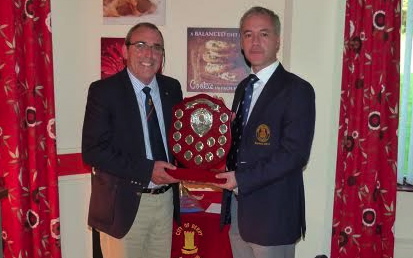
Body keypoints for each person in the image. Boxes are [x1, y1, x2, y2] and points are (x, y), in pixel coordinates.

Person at [214, 6, 316, 258]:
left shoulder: (297, 89)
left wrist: (241, 179)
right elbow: (241, 145)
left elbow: (294, 155)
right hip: (238, 211)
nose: (255, 42)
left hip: (273, 216)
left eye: (264, 34)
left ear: (278, 40)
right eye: (248, 34)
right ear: (241, 41)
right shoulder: (243, 88)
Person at [82, 22, 183, 258]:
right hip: (122, 206)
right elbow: (93, 150)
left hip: (165, 201)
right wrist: (147, 170)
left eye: (157, 47)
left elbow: (181, 139)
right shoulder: (103, 91)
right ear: (125, 51)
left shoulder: (172, 88)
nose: (149, 54)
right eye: (141, 45)